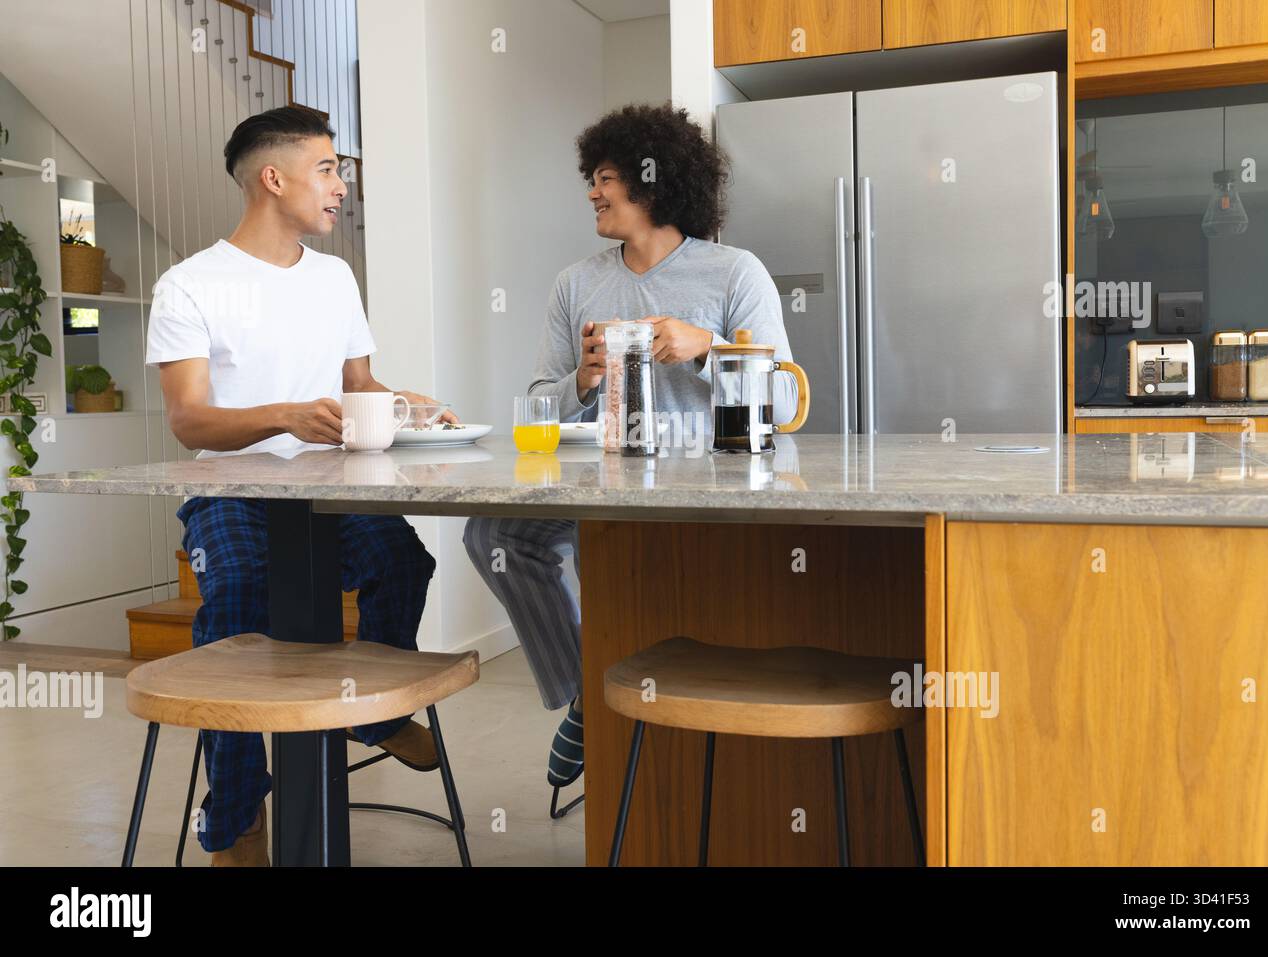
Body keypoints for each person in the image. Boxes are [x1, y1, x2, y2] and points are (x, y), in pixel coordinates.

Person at [145, 106, 456, 866]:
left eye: (339, 170)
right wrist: (284, 413)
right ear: (272, 177)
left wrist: (413, 405)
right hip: (230, 491)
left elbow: (360, 383)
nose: (341, 185)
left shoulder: (335, 277)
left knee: (402, 562)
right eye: (327, 169)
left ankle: (371, 718)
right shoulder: (190, 284)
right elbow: (190, 420)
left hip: (330, 486)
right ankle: (238, 813)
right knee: (241, 592)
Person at [463, 103, 797, 796]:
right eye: (593, 176)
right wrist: (583, 378)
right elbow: (535, 403)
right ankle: (588, 687)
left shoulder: (735, 273)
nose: (592, 190)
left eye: (606, 176)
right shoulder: (575, 284)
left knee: (639, 569)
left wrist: (708, 348)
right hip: (605, 484)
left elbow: (787, 405)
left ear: (655, 182)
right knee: (495, 531)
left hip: (711, 493)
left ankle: (652, 733)